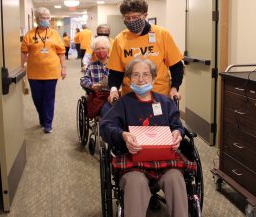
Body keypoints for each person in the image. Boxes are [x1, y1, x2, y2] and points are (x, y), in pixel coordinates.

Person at [100, 57, 191, 217]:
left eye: (146, 74)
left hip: (165, 160)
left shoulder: (165, 102)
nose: (141, 79)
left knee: (175, 178)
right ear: (128, 79)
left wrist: (178, 133)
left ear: (154, 78)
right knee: (135, 182)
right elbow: (106, 127)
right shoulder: (123, 104)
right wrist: (123, 135)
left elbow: (177, 125)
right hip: (133, 161)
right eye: (135, 75)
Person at [107, 0, 184, 105]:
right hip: (131, 97)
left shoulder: (162, 35)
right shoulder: (120, 39)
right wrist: (114, 90)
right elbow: (116, 72)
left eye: (135, 17)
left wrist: (175, 87)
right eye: (127, 18)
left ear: (145, 15)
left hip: (159, 96)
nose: (131, 21)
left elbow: (176, 66)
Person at [21, 7, 66, 133]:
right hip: (34, 73)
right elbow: (24, 53)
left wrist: (64, 68)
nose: (46, 20)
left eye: (48, 17)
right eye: (43, 17)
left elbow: (61, 52)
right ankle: (42, 117)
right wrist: (22, 67)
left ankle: (48, 123)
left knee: (49, 98)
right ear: (37, 19)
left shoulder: (54, 34)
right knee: (37, 99)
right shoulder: (29, 35)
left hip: (51, 72)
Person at [80, 36, 111, 118]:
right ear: (94, 52)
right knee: (106, 109)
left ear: (108, 49)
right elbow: (84, 80)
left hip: (113, 94)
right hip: (98, 96)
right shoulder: (91, 66)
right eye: (97, 49)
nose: (101, 51)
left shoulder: (115, 65)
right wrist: (91, 85)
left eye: (103, 48)